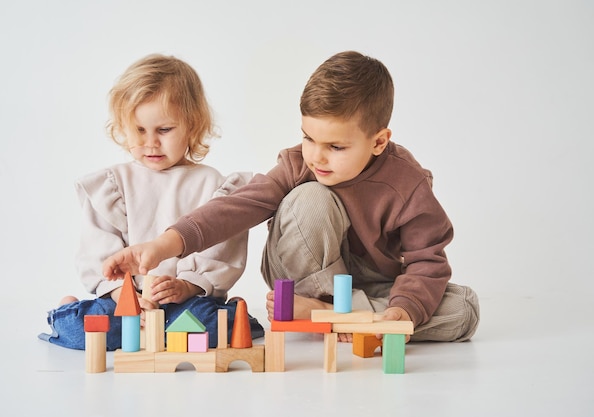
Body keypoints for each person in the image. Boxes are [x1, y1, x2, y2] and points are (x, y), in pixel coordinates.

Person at [102, 51, 479, 343]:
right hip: (298, 274)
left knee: (463, 309)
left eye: (335, 146)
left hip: (368, 284)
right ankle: (341, 314)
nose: (317, 155)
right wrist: (164, 245)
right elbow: (238, 207)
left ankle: (329, 315)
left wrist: (403, 310)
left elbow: (426, 261)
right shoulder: (300, 164)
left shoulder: (406, 184)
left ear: (379, 141)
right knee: (310, 198)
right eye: (308, 137)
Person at [39, 54, 264, 350]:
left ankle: (234, 312)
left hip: (184, 301)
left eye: (164, 130)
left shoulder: (211, 184)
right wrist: (125, 295)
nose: (151, 142)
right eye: (140, 130)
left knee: (212, 330)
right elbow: (99, 251)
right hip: (126, 300)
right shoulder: (114, 185)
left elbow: (221, 249)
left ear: (192, 126)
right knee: (84, 333)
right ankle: (68, 309)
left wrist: (185, 286)